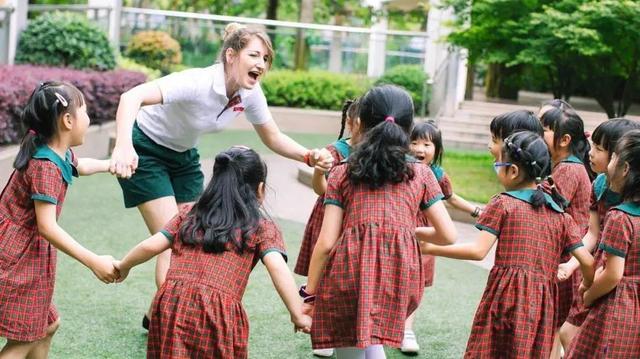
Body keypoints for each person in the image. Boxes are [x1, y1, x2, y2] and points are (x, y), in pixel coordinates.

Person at [109, 23, 332, 328]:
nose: (261, 64)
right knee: (173, 235)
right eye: (254, 55)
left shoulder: (249, 93)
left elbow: (273, 136)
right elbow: (131, 97)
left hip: (184, 156)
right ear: (231, 55)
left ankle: (155, 314)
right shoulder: (198, 82)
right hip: (146, 149)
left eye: (266, 58)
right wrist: (123, 146)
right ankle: (168, 322)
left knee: (191, 231)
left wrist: (309, 155)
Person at [301, 85, 457, 358]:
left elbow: (326, 244)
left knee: (351, 341)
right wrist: (409, 232)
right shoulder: (422, 173)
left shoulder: (342, 173)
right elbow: (447, 235)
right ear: (408, 130)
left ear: (359, 123)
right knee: (372, 337)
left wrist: (310, 294)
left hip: (351, 270)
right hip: (400, 276)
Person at [113, 146, 311, 358]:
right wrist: (296, 313)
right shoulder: (261, 226)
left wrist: (123, 266)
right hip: (217, 310)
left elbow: (152, 245)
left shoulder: (190, 214)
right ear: (260, 188)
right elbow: (277, 267)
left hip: (172, 300)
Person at [422, 131, 595, 358]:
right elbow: (588, 262)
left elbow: (477, 251)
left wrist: (431, 248)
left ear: (512, 171)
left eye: (498, 163)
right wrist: (586, 287)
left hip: (506, 298)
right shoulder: (561, 216)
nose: (496, 167)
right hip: (541, 306)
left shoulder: (503, 204)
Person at [0, 82, 118, 358]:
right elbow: (47, 226)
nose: (89, 120)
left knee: (49, 324)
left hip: (24, 254)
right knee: (23, 341)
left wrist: (109, 165)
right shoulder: (46, 166)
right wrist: (93, 261)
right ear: (67, 121)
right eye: (85, 112)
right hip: (19, 259)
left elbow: (80, 165)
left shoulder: (53, 149)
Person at [557, 118, 640, 350]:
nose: (590, 153)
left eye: (600, 149)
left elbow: (615, 273)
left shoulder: (624, 213)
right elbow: (592, 235)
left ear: (623, 161)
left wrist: (591, 292)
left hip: (618, 276)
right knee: (568, 332)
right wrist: (572, 264)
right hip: (602, 267)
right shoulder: (600, 185)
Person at [401, 121, 481, 354]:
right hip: (401, 227)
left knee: (416, 281)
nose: (419, 149)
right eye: (414, 142)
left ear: (437, 149)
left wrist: (476, 211)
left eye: (426, 144)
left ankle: (407, 329)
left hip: (427, 232)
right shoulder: (400, 167)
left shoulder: (437, 174)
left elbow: (452, 198)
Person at [294, 99, 361, 358]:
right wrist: (319, 169)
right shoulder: (337, 151)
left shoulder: (377, 151)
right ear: (353, 123)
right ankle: (323, 333)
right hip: (331, 218)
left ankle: (338, 331)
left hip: (354, 222)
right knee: (323, 275)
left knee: (341, 279)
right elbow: (321, 188)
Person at [539, 106, 593, 357]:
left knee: (555, 323)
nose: (539, 135)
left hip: (567, 258)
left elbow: (548, 206)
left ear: (564, 139)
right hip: (566, 254)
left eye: (545, 131)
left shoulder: (569, 169)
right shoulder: (563, 166)